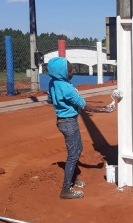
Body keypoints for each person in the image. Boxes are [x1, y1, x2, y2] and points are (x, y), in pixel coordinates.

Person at [47, 57, 112, 200]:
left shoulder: (53, 83)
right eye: (70, 71)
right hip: (69, 122)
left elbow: (49, 99)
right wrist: (104, 109)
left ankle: (72, 177)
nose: (73, 73)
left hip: (63, 121)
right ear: (62, 72)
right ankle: (66, 189)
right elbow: (84, 105)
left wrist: (60, 103)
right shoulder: (67, 88)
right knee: (73, 154)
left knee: (78, 149)